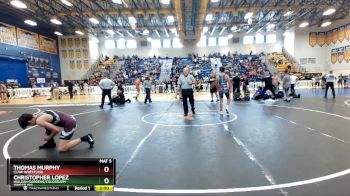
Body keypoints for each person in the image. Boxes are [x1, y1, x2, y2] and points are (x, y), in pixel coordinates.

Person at [17, 110, 94, 151]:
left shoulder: (39, 121)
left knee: (62, 148)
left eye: (28, 125)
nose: (30, 126)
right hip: (68, 119)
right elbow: (49, 125)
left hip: (70, 124)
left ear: (29, 122)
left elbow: (56, 130)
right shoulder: (39, 115)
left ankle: (86, 138)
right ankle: (51, 144)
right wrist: (47, 134)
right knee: (47, 128)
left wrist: (49, 137)